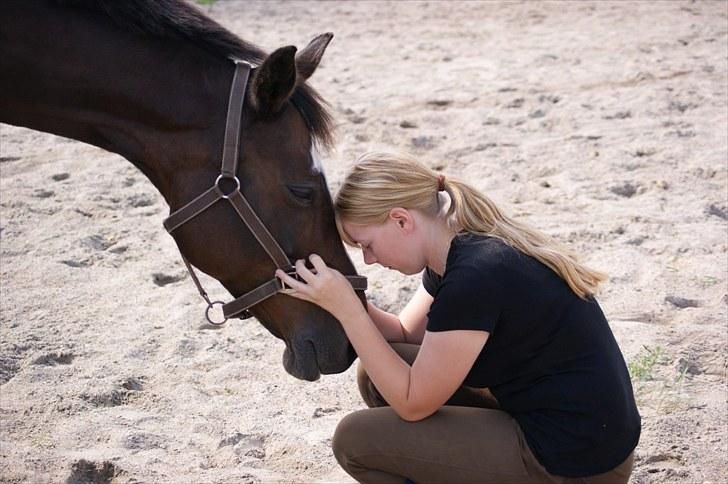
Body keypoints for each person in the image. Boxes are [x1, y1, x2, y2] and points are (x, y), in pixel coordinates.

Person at [275, 152, 640, 484]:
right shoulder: (459, 247)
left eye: (366, 244)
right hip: (576, 435)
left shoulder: (475, 276)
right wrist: (340, 295)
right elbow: (405, 333)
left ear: (401, 220)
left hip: (575, 464)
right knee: (378, 373)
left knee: (355, 441)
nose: (369, 259)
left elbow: (412, 401)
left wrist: (348, 310)